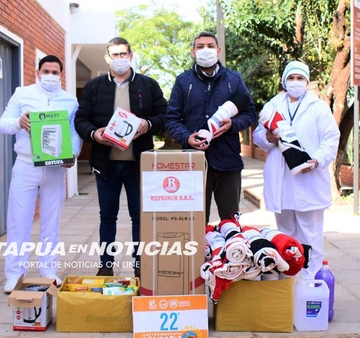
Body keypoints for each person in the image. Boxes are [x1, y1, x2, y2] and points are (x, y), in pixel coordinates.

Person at [74, 37, 167, 277]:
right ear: (107, 59)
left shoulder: (149, 85)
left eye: (123, 53)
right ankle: (106, 266)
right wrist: (95, 134)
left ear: (131, 55)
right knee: (107, 217)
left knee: (139, 218)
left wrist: (148, 124)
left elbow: (165, 116)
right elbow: (81, 119)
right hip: (106, 165)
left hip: (139, 165)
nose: (119, 59)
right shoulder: (94, 87)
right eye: (114, 55)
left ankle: (140, 267)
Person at [0, 55, 81, 293]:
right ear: (37, 72)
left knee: (51, 223)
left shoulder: (70, 100)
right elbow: (2, 124)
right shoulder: (22, 94)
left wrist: (73, 153)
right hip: (25, 165)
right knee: (19, 221)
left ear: (61, 75)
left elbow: (74, 131)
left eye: (55, 72)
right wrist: (18, 122)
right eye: (46, 71)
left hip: (55, 168)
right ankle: (15, 273)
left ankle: (49, 270)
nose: (51, 76)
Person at [253, 60, 340, 281]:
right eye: (291, 78)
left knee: (310, 234)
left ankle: (310, 281)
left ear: (307, 81)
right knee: (285, 235)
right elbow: (257, 137)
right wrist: (268, 137)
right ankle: (289, 280)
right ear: (284, 81)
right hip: (281, 181)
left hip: (308, 178)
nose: (295, 82)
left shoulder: (318, 107)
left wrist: (317, 160)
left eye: (300, 78)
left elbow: (331, 138)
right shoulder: (272, 106)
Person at [166, 31, 256, 223]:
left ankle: (230, 252)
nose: (205, 50)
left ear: (218, 50)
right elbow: (172, 119)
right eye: (200, 47)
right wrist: (187, 137)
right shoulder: (183, 81)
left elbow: (250, 113)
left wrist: (233, 124)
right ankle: (198, 254)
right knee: (195, 222)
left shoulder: (233, 79)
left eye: (210, 46)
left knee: (230, 222)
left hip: (228, 161)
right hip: (194, 163)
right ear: (193, 52)